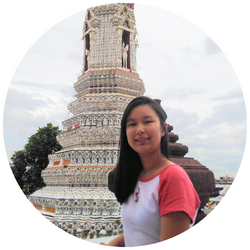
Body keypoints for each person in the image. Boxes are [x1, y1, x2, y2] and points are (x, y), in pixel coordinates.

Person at [101, 96, 200, 247]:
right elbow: (138, 230)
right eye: (132, 124)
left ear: (163, 129)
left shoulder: (173, 177)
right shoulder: (135, 175)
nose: (140, 129)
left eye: (148, 121)